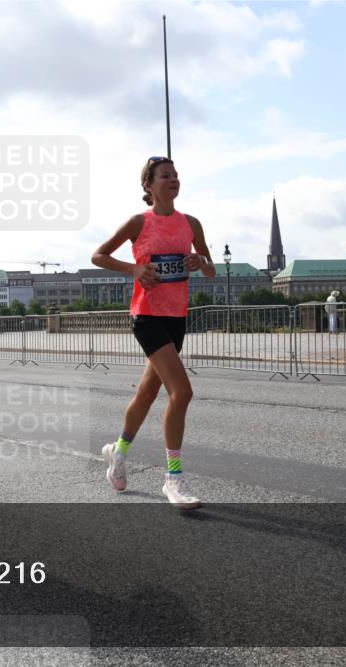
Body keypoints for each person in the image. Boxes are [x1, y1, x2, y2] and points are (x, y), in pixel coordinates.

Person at [91, 156, 216, 509]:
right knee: (183, 392)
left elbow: (210, 271)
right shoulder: (138, 223)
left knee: (146, 394)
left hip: (177, 317)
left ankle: (118, 450)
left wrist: (199, 262)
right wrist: (134, 269)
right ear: (149, 185)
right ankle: (173, 479)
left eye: (176, 175)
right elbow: (98, 255)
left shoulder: (190, 223)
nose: (173, 179)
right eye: (165, 176)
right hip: (146, 316)